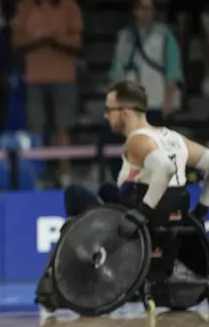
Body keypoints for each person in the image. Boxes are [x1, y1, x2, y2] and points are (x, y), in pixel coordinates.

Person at [63, 79, 209, 232]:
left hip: (138, 223)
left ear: (125, 113)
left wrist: (141, 214)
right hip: (175, 213)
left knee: (74, 193)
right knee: (107, 189)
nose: (106, 116)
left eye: (109, 110)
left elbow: (165, 168)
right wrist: (201, 210)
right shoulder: (174, 137)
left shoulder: (137, 141)